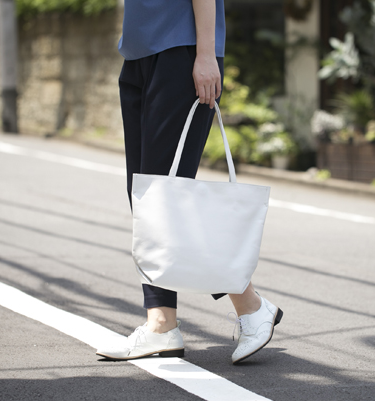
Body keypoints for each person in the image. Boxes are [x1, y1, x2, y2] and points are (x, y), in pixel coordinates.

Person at [96, 0, 283, 364]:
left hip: (181, 52)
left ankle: (243, 307)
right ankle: (164, 322)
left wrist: (206, 53)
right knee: (148, 197)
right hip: (137, 52)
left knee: (167, 199)